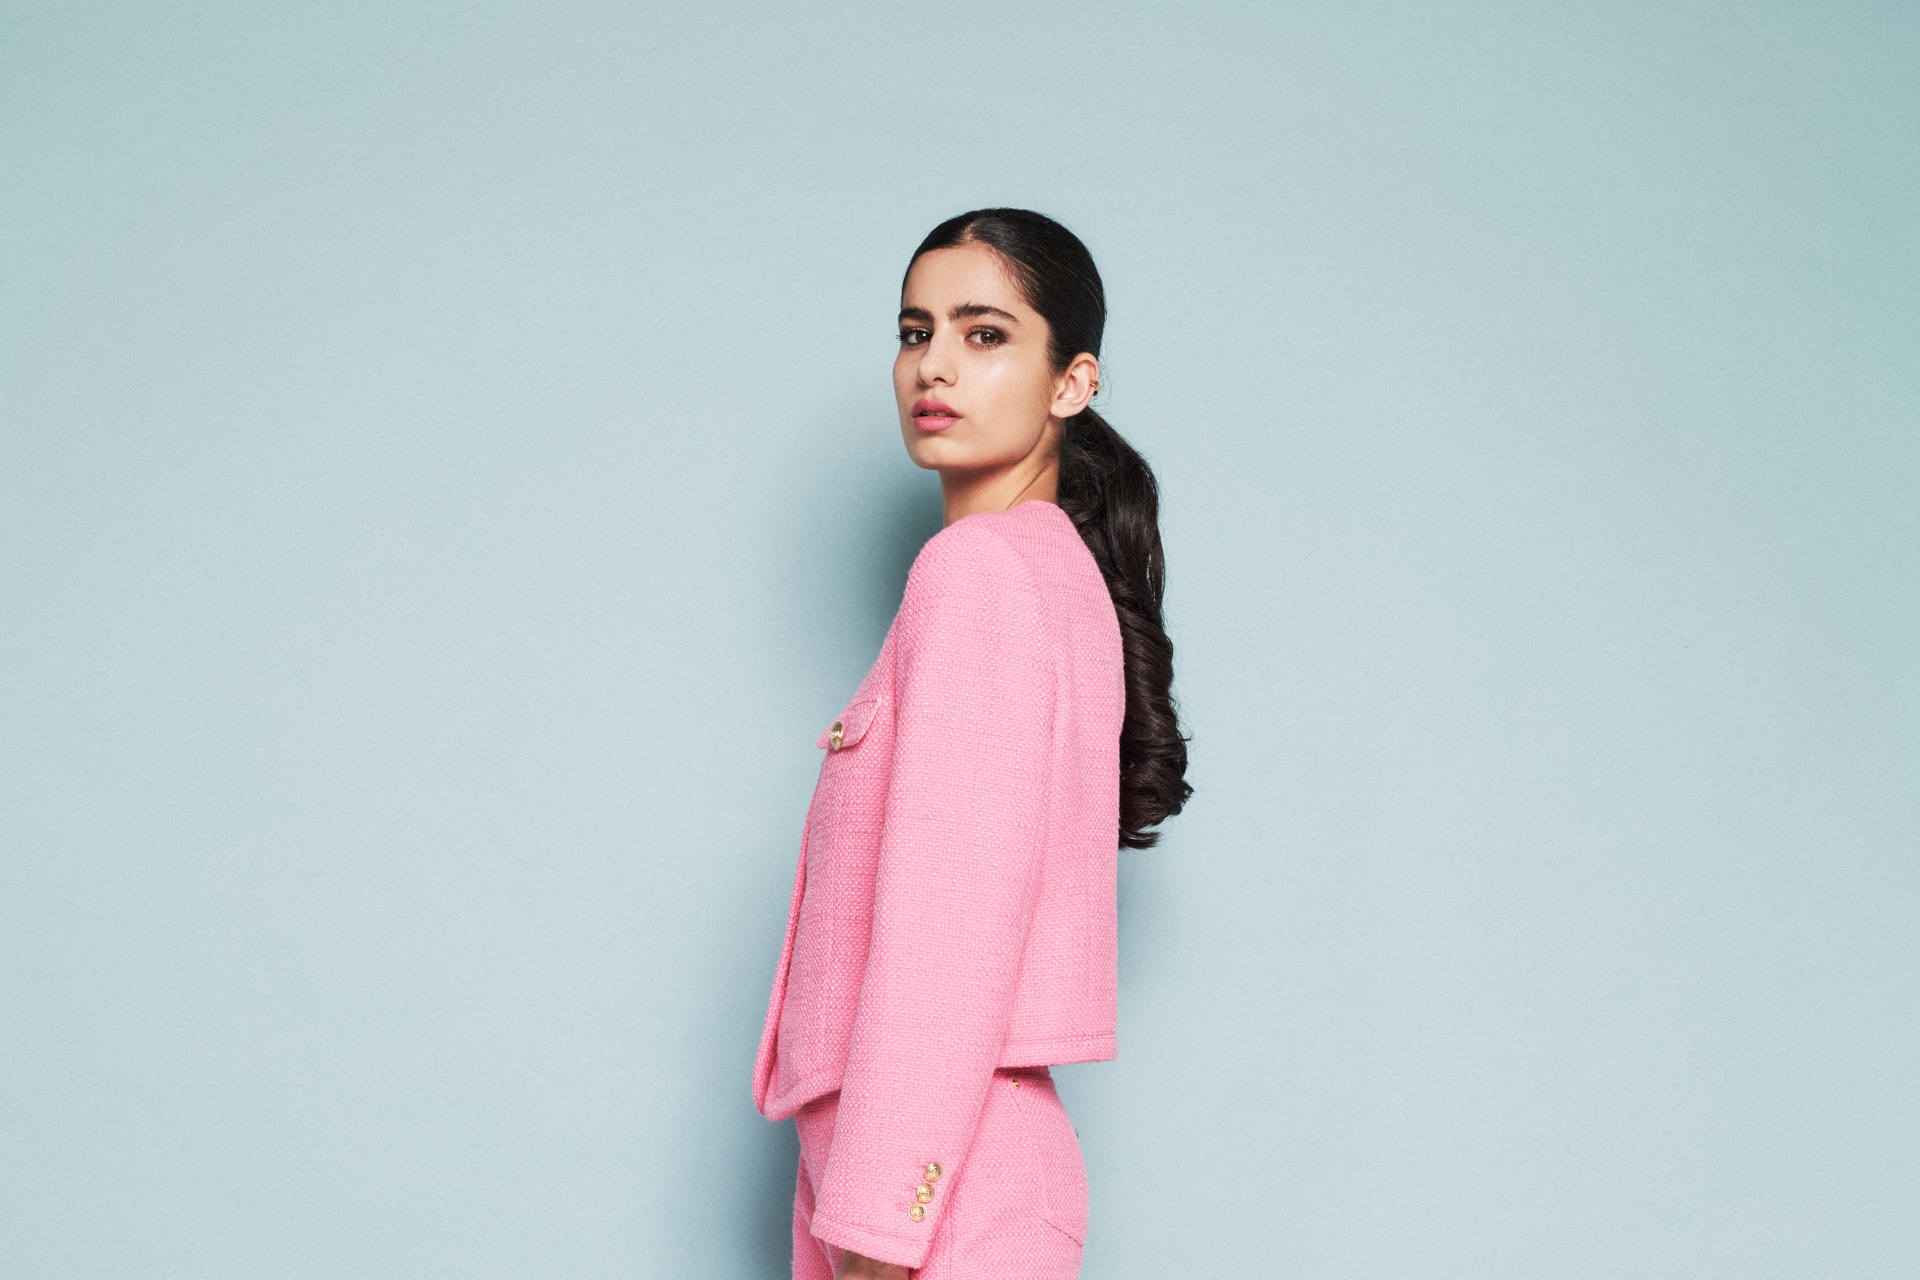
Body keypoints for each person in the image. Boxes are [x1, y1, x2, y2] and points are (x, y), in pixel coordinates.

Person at [753, 208, 1190, 1278]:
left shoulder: (978, 574)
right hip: (951, 1164)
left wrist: (877, 1228)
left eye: (985, 333)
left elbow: (950, 925)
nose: (935, 363)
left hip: (931, 1182)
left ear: (1070, 382)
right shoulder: (1045, 570)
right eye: (915, 332)